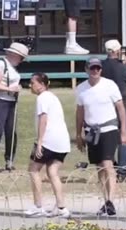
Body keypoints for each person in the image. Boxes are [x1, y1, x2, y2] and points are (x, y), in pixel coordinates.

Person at [75, 57, 126, 216]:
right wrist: (78, 134)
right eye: (92, 68)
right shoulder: (81, 89)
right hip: (91, 130)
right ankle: (106, 201)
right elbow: (80, 112)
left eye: (98, 68)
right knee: (99, 167)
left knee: (107, 163)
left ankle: (111, 201)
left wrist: (123, 131)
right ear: (87, 70)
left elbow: (121, 108)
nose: (95, 71)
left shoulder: (109, 85)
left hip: (109, 128)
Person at [24, 73, 71, 218]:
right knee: (52, 172)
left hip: (49, 140)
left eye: (32, 83)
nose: (30, 86)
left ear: (42, 84)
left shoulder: (42, 98)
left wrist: (39, 142)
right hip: (62, 142)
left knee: (33, 169)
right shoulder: (53, 97)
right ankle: (61, 207)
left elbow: (43, 119)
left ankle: (38, 206)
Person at [0, 42, 28, 173]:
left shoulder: (13, 67)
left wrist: (17, 89)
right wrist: (10, 89)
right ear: (14, 54)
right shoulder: (0, 64)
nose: (22, 60)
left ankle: (9, 160)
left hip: (11, 100)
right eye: (21, 57)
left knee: (11, 130)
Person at [101, 39, 126, 182]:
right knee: (123, 137)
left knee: (108, 137)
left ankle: (109, 165)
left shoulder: (101, 66)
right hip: (122, 105)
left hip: (105, 106)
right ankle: (123, 171)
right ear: (116, 51)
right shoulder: (122, 68)